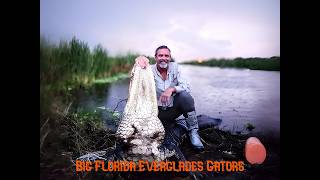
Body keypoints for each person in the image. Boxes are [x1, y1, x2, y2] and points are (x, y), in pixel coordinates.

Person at [135, 45, 204, 151]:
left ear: (170, 57)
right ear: (155, 57)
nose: (163, 58)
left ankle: (193, 132)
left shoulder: (176, 68)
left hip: (173, 111)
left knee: (185, 96)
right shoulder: (148, 70)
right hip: (155, 112)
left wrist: (171, 89)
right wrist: (139, 62)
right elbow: (137, 82)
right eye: (160, 55)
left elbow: (186, 87)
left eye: (166, 55)